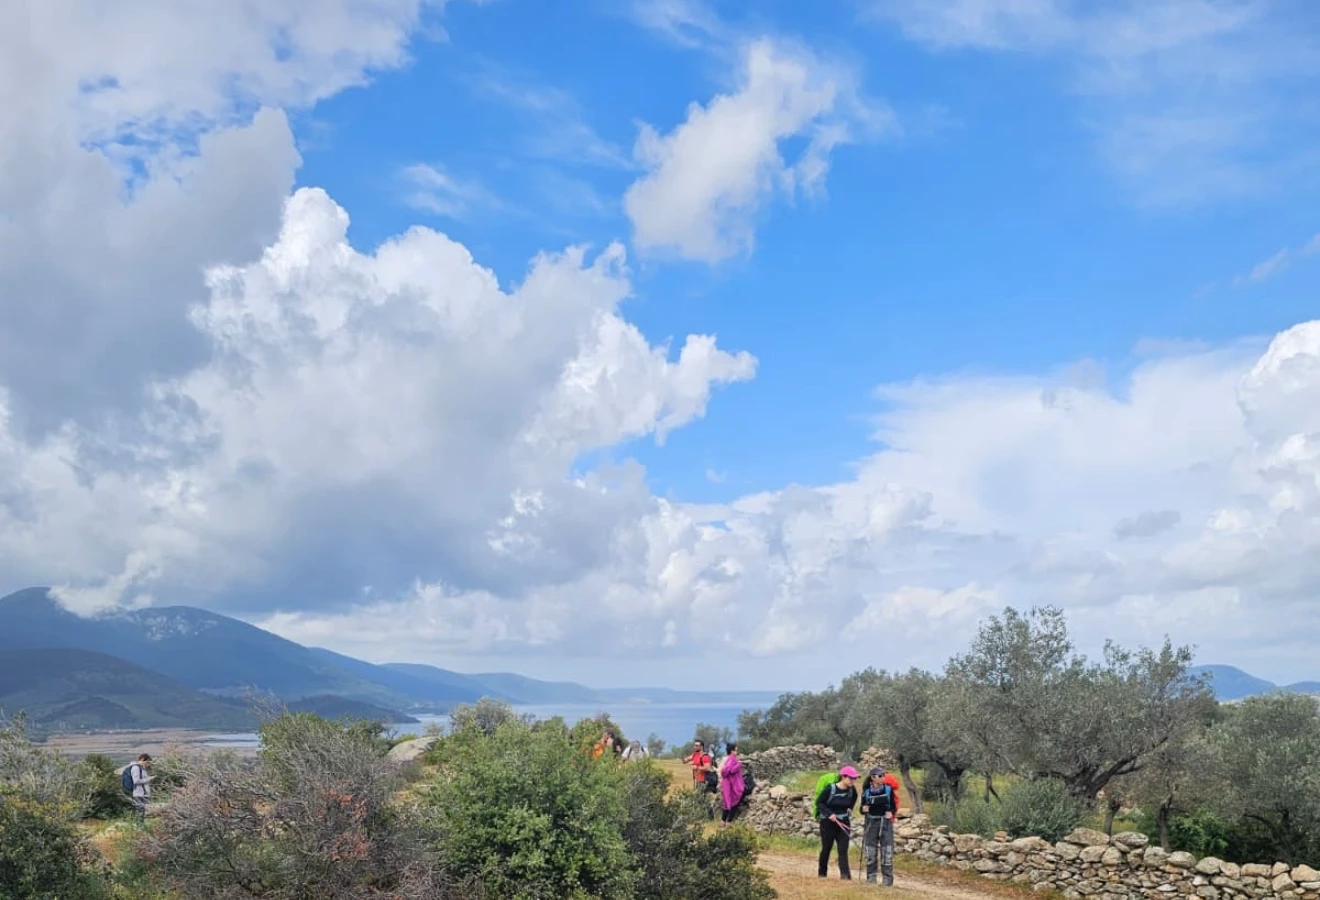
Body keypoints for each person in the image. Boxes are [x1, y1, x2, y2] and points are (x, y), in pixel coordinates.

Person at [816, 765, 859, 880]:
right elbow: (819, 803)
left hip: (844, 822)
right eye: (851, 778)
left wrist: (850, 807)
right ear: (843, 777)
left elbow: (855, 797)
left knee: (843, 849)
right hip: (828, 823)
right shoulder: (830, 789)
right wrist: (829, 814)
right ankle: (822, 874)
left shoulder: (852, 790)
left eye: (855, 778)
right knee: (826, 848)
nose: (853, 781)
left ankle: (845, 876)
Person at [861, 767, 898, 885]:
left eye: (883, 775)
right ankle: (871, 879)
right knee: (870, 852)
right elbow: (861, 808)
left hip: (885, 823)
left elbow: (893, 806)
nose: (883, 778)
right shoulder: (866, 792)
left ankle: (887, 882)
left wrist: (891, 812)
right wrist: (863, 809)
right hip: (871, 823)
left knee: (887, 851)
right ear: (873, 777)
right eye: (880, 776)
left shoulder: (888, 790)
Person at [719, 742, 745, 825]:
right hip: (731, 784)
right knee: (735, 801)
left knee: (727, 802)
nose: (737, 752)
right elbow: (730, 770)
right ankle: (729, 822)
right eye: (736, 750)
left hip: (727, 784)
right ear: (732, 751)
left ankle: (723, 821)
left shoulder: (728, 759)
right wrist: (739, 764)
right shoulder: (732, 759)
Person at [128, 754, 153, 822]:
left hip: (143, 794)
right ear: (142, 759)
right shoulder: (136, 768)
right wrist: (148, 779)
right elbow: (136, 781)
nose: (147, 764)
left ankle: (140, 827)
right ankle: (138, 827)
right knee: (140, 812)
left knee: (143, 812)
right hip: (139, 794)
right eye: (147, 762)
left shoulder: (141, 768)